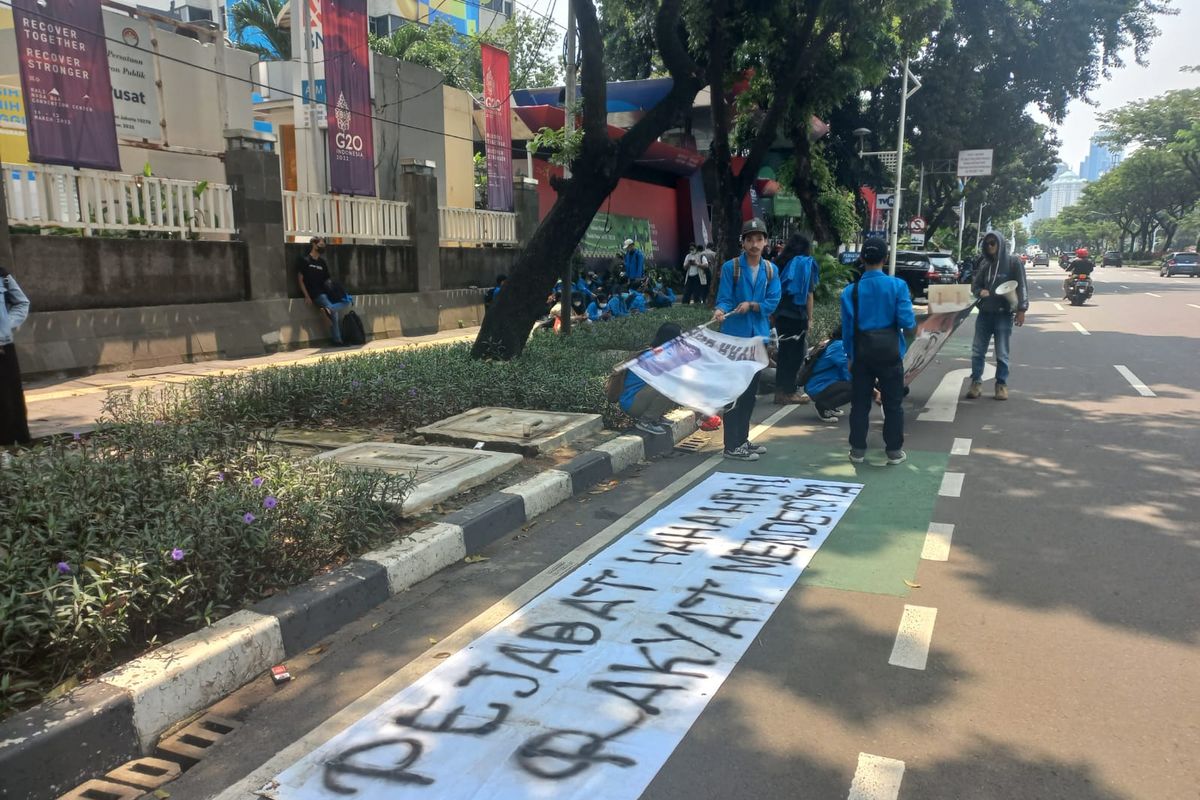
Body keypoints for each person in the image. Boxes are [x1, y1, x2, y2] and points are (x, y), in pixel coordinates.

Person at [841, 236, 915, 465]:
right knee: (893, 404)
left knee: (860, 404)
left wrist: (850, 356)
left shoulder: (850, 292)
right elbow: (907, 322)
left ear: (862, 258)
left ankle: (857, 450)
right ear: (885, 258)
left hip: (862, 355)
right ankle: (893, 450)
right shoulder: (897, 286)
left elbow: (847, 329)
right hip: (890, 354)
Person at [713, 218, 781, 462]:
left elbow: (773, 301)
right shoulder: (732, 268)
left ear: (765, 242)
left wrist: (752, 305)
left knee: (750, 392)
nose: (754, 244)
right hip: (734, 339)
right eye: (749, 239)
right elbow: (724, 298)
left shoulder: (771, 270)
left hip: (758, 338)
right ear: (742, 243)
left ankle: (742, 439)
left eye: (759, 239)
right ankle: (731, 445)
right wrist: (720, 310)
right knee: (735, 392)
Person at [966, 231, 1028, 401]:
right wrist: (980, 291)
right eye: (987, 244)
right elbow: (975, 285)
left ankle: (1001, 385)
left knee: (1002, 353)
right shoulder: (985, 264)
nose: (990, 246)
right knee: (978, 351)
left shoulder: (1013, 262)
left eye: (993, 243)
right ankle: (975, 383)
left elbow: (1022, 286)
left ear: (1000, 243)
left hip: (1004, 314)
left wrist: (1021, 309)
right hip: (985, 314)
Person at [774, 233, 820, 405]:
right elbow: (808, 295)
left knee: (784, 354)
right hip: (796, 316)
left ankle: (780, 391)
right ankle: (789, 392)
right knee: (795, 356)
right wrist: (810, 318)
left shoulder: (780, 262)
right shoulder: (805, 264)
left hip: (780, 316)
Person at [618, 323, 683, 435]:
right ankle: (645, 422)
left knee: (673, 385)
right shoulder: (653, 356)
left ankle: (657, 416)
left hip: (641, 397)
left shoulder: (661, 353)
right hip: (632, 402)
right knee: (668, 386)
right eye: (679, 338)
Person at [297, 237, 354, 346]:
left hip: (327, 293)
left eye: (324, 246)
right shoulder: (305, 261)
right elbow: (300, 280)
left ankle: (328, 310)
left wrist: (336, 291)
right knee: (335, 314)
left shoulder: (322, 262)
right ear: (314, 244)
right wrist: (307, 296)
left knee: (347, 301)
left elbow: (327, 280)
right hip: (316, 294)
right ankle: (337, 340)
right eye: (321, 245)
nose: (322, 247)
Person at [0, 266, 31, 447]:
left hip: (3, 348)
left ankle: (14, 448)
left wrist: (5, 325)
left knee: (10, 400)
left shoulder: (2, 275)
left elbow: (21, 302)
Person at [804, 339, 851, 423]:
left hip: (817, 384)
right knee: (856, 387)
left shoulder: (834, 343)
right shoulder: (840, 346)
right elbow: (846, 370)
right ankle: (823, 406)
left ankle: (831, 406)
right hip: (817, 387)